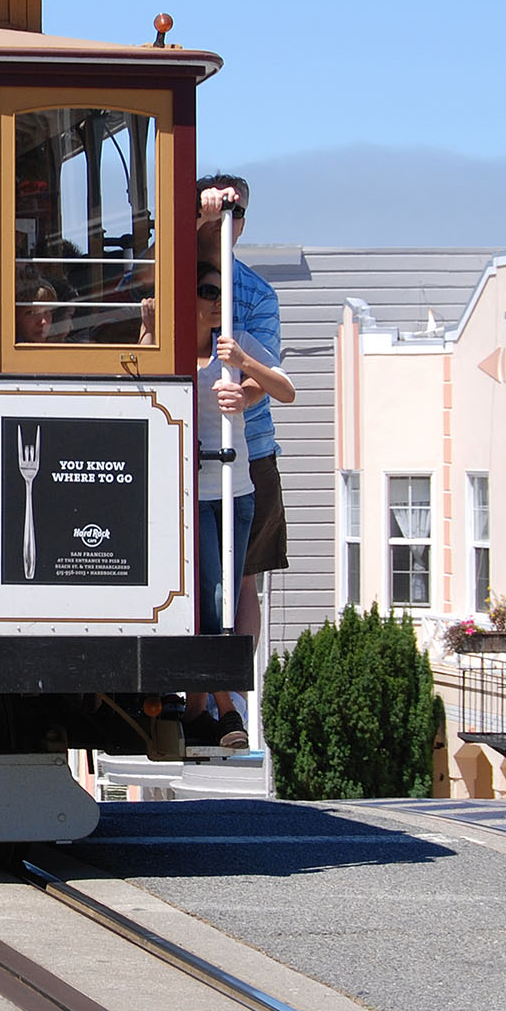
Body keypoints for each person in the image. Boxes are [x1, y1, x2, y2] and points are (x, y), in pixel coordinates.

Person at [192, 258, 293, 749]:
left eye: (219, 296)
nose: (216, 303)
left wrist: (246, 369)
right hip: (192, 494)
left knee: (226, 600)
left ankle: (207, 708)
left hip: (236, 492)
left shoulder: (231, 348)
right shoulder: (166, 348)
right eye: (208, 293)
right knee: (209, 602)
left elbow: (286, 389)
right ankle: (224, 709)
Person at [197, 175, 285, 676]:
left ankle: (230, 693)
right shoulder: (169, 274)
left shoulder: (254, 293)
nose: (228, 219)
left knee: (243, 576)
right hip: (187, 447)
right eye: (220, 208)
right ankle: (197, 691)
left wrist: (243, 390)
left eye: (236, 212)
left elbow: (269, 375)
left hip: (247, 450)